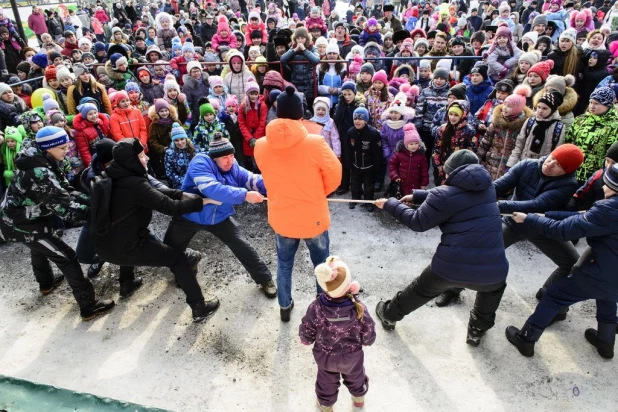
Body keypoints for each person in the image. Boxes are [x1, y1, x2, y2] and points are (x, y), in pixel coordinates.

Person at [374, 150, 509, 347]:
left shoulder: (443, 194)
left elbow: (417, 222)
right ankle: (476, 331)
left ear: (452, 172)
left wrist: (390, 204)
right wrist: (418, 195)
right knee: (493, 290)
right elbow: (453, 196)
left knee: (420, 290)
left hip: (450, 267)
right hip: (493, 269)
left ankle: (389, 314)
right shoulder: (488, 188)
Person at [434, 145, 584, 308]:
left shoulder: (568, 184)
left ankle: (548, 295)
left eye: (559, 165)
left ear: (567, 171)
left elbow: (537, 205)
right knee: (476, 255)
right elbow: (497, 187)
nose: (550, 164)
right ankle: (453, 290)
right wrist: (475, 196)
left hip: (542, 226)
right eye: (552, 158)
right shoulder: (527, 165)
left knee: (573, 262)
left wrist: (494, 206)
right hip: (512, 222)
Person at [93, 138, 219, 322]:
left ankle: (126, 284)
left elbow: (157, 193)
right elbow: (170, 207)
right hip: (126, 248)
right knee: (177, 258)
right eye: (142, 155)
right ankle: (199, 307)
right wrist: (202, 202)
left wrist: (182, 194)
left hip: (106, 244)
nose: (147, 159)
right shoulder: (134, 184)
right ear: (132, 160)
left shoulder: (114, 175)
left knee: (128, 236)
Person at [0, 126, 114, 321]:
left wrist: (90, 200)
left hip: (28, 217)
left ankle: (46, 283)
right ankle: (88, 306)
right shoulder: (40, 172)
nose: (67, 151)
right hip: (21, 223)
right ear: (49, 148)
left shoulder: (42, 158)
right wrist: (95, 214)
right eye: (62, 148)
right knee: (66, 257)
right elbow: (64, 209)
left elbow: (64, 190)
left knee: (39, 248)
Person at [506, 164, 618, 359]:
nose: (602, 186)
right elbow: (582, 217)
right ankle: (605, 343)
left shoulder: (609, 208)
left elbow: (562, 231)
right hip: (614, 277)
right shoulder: (608, 210)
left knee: (555, 296)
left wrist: (529, 219)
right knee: (608, 298)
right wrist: (545, 215)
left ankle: (526, 339)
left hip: (600, 273)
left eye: (606, 182)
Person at [254, 86, 342, 322]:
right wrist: (316, 192)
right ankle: (322, 307)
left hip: (282, 216)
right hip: (312, 215)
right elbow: (335, 175)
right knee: (322, 265)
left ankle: (285, 306)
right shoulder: (315, 143)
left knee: (284, 264)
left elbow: (267, 174)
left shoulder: (261, 145)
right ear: (301, 116)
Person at [162, 135, 277, 298]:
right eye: (225, 157)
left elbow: (251, 179)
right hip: (190, 214)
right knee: (169, 248)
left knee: (241, 245)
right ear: (214, 158)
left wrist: (276, 186)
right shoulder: (200, 162)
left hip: (218, 217)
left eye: (231, 156)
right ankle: (187, 266)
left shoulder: (232, 165)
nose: (229, 160)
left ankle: (265, 279)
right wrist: (245, 195)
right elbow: (212, 189)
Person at [299, 256, 376, 412]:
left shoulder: (316, 307)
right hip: (352, 356)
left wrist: (306, 339)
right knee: (356, 377)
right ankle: (359, 399)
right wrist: (368, 340)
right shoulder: (358, 307)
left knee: (326, 382)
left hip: (325, 357)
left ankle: (326, 406)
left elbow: (307, 326)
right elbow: (368, 328)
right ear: (349, 284)